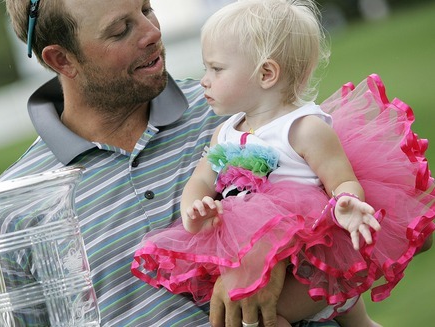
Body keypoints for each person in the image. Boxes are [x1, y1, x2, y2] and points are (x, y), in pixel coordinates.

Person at [0, 0, 354, 326]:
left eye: (146, 9)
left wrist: (274, 261)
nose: (151, 31)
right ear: (62, 59)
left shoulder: (238, 109)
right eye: (120, 30)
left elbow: (392, 220)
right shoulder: (12, 208)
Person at [132, 0, 435, 326]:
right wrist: (194, 211)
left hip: (312, 252)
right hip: (256, 249)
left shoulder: (304, 128)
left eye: (216, 69)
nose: (204, 79)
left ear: (266, 73)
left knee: (273, 317)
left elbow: (341, 180)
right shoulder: (225, 132)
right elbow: (201, 180)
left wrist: (346, 201)